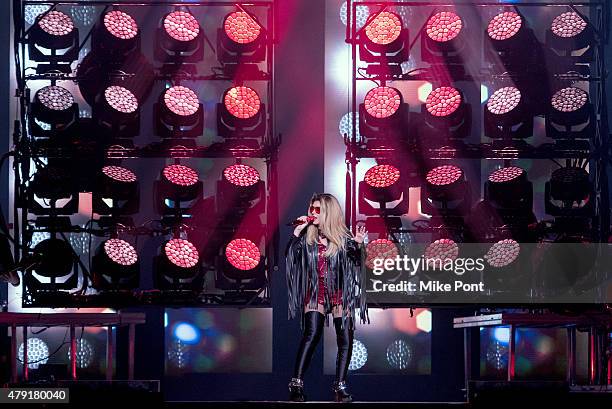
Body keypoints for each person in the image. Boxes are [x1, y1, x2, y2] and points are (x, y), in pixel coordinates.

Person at [285, 193, 369, 402]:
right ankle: (296, 384)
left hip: (340, 291)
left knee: (346, 338)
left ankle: (340, 386)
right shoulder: (307, 237)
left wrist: (358, 245)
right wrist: (296, 233)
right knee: (311, 334)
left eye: (317, 210)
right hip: (316, 291)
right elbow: (289, 258)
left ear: (328, 213)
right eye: (311, 209)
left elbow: (358, 264)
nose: (312, 213)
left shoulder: (344, 237)